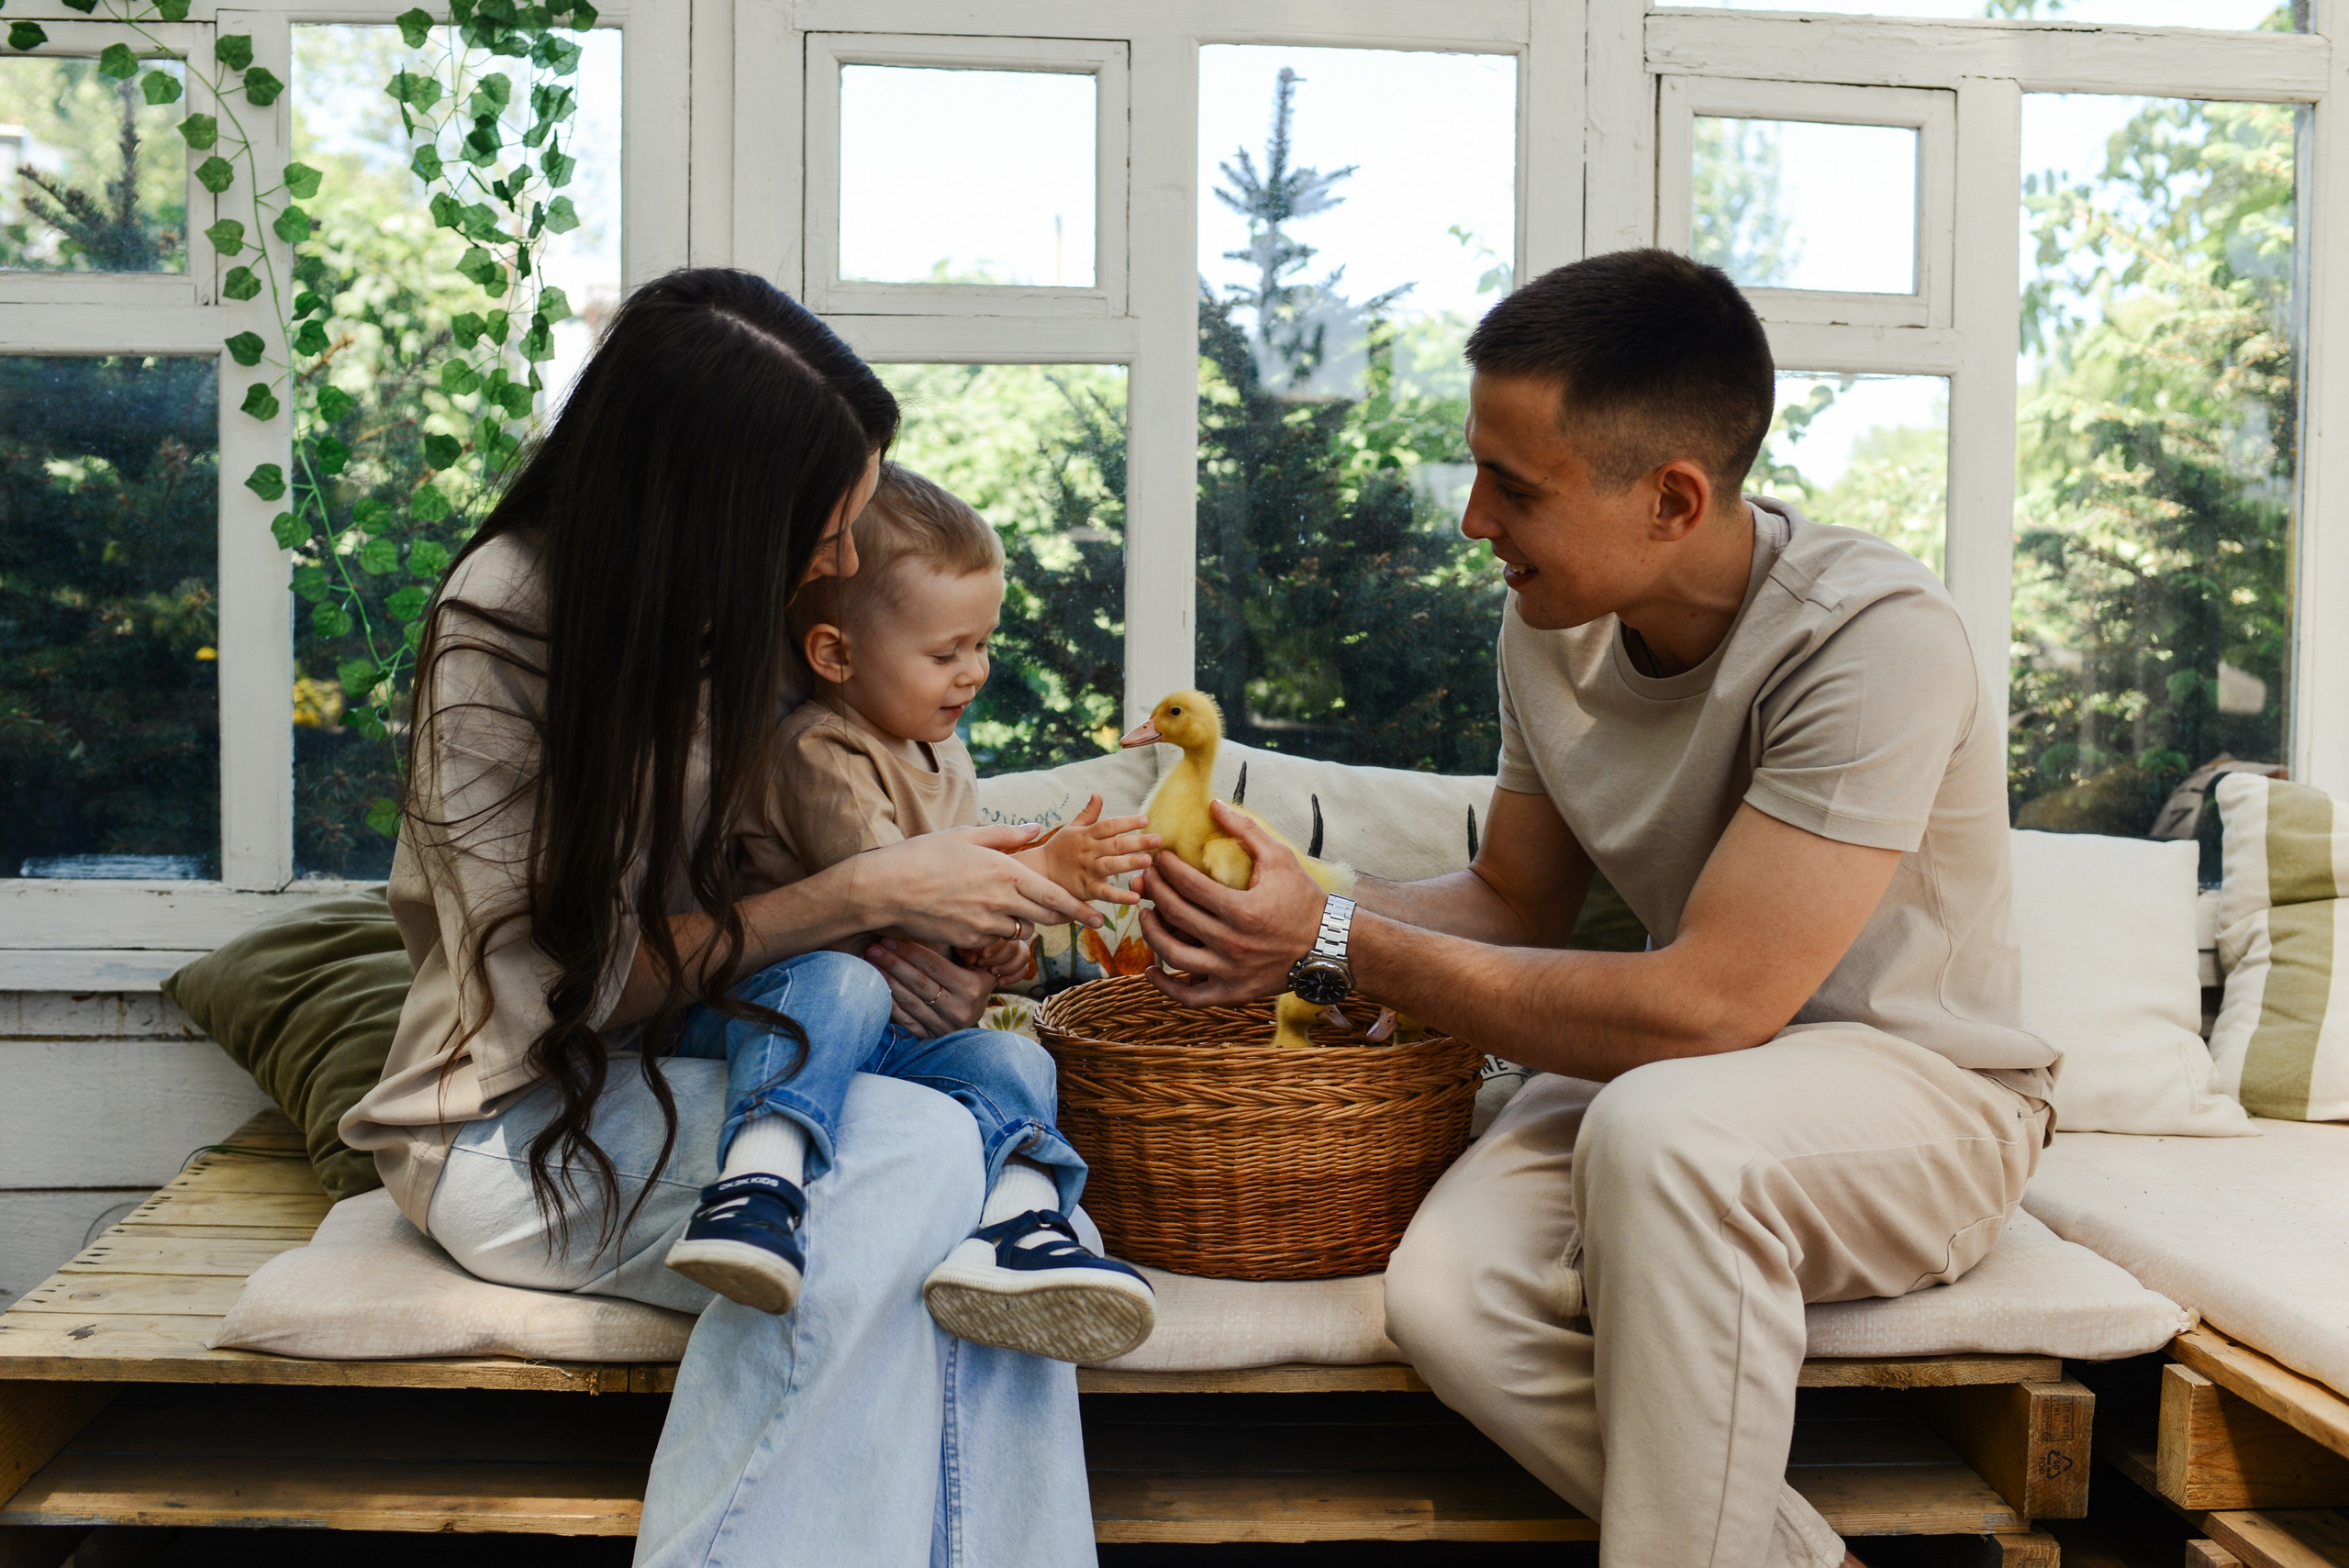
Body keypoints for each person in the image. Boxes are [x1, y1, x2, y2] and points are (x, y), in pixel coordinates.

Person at [1133, 249, 2058, 1568]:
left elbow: (1710, 1009)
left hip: (1920, 1096)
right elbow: (1512, 901)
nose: (1471, 520)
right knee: (1449, 1300)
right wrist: (1287, 902)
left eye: (1513, 486)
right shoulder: (1550, 624)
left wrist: (1336, 943)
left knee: (1663, 1125)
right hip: (1672, 1093)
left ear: (1673, 498)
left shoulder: (1870, 640)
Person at [339, 268, 1105, 1566]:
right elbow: (581, 993)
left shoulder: (736, 625)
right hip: (512, 1123)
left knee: (974, 1171)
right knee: (916, 1168)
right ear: (716, 501)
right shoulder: (506, 628)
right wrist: (864, 894)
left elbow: (793, 908)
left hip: (720, 1066)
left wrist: (923, 949)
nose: (843, 563)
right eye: (828, 525)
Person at [676, 461, 1157, 1361]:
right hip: (768, 1011)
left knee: (1012, 1054)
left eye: (982, 644)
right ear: (834, 654)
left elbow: (952, 921)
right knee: (843, 981)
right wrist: (1037, 867)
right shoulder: (818, 747)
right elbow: (891, 883)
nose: (973, 672)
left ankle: (1019, 1225)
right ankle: (755, 1182)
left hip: (889, 1035)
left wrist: (998, 954)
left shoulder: (948, 758)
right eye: (946, 653)